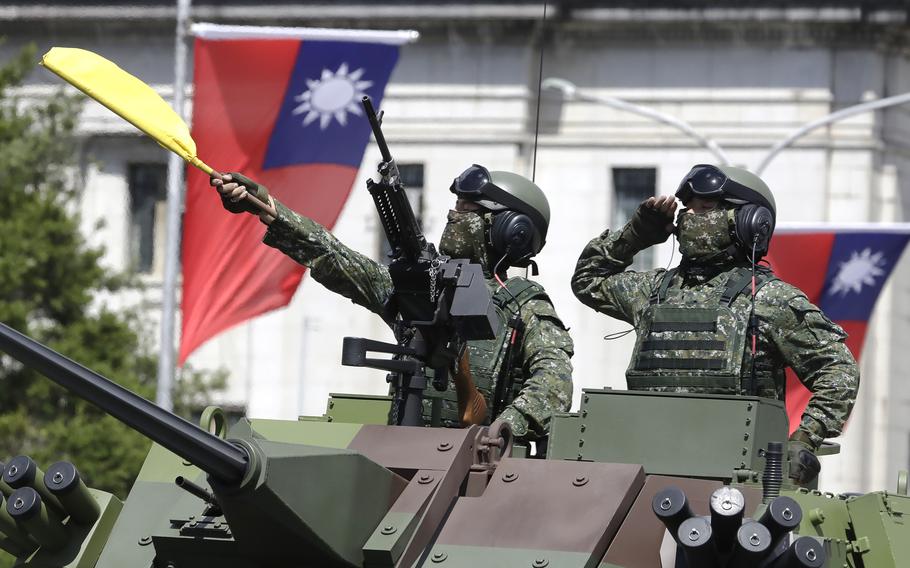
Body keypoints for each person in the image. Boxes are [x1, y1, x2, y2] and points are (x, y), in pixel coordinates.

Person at [211, 165, 573, 442]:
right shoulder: (424, 285)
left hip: (476, 470)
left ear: (508, 228)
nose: (454, 214)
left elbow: (553, 385)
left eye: (467, 207)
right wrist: (269, 209)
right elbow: (336, 258)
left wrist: (501, 431)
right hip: (400, 449)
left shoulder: (525, 307)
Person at [571, 164, 859, 486]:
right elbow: (588, 280)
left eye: (706, 208)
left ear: (750, 222)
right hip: (640, 471)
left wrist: (806, 438)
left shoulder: (769, 299)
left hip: (734, 484)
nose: (690, 216)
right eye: (688, 208)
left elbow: (838, 371)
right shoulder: (652, 291)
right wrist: (636, 235)